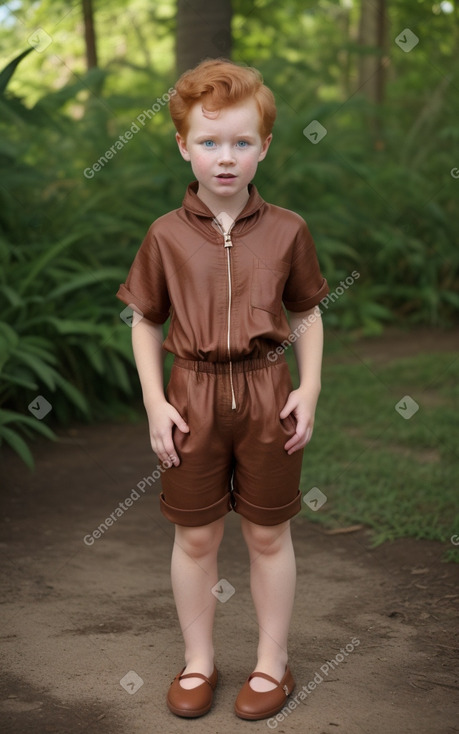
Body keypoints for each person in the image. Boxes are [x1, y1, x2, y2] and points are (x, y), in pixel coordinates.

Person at [116, 58, 329, 721]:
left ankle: (271, 663)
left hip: (268, 393)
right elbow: (145, 320)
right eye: (209, 142)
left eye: (241, 142)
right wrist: (155, 402)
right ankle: (198, 661)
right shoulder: (165, 235)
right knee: (196, 538)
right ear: (183, 145)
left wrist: (310, 388)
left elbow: (308, 312)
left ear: (264, 145)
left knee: (269, 536)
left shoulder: (288, 230)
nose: (225, 158)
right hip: (192, 398)